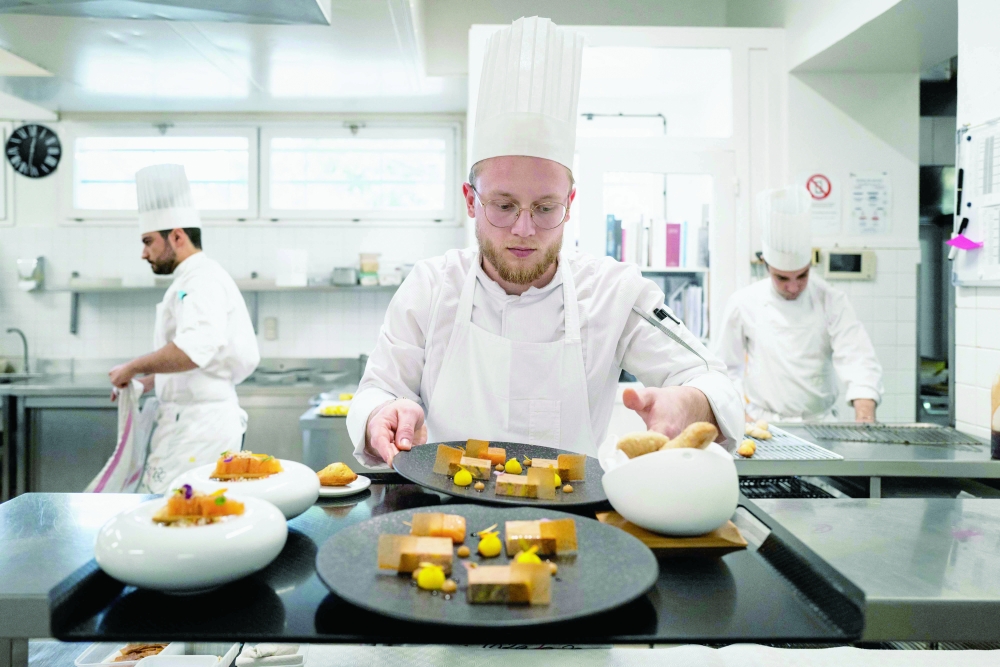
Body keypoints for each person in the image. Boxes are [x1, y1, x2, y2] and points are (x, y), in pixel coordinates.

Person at [346, 17, 743, 467]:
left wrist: (690, 402)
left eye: (545, 207)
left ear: (570, 204)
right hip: (444, 520)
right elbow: (376, 388)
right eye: (503, 205)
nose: (524, 229)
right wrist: (383, 411)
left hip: (575, 529)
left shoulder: (614, 293)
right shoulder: (431, 286)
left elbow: (717, 380)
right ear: (470, 201)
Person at [109, 164, 260, 492]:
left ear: (177, 236)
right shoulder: (192, 279)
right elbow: (196, 361)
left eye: (148, 241)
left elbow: (193, 351)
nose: (143, 253)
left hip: (198, 429)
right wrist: (145, 381)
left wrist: (131, 366)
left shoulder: (202, 280)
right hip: (189, 423)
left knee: (182, 518)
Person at [714, 186, 883, 423]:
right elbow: (725, 368)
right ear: (766, 266)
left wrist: (865, 413)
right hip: (763, 423)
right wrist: (739, 413)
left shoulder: (831, 300)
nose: (793, 287)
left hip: (821, 423)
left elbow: (857, 357)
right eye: (782, 278)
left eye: (802, 276)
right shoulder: (743, 303)